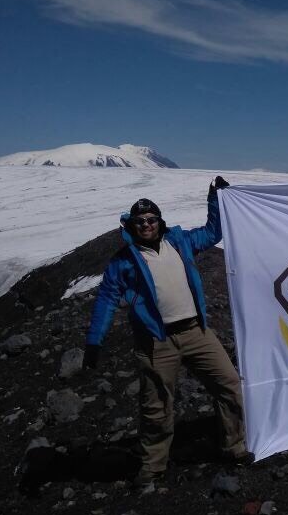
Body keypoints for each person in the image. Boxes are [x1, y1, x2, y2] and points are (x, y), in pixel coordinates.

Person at [83, 177, 251, 486]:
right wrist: (94, 342)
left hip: (195, 332)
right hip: (156, 341)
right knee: (157, 406)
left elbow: (214, 231)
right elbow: (107, 299)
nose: (146, 225)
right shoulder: (123, 261)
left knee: (229, 385)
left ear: (160, 221)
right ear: (131, 225)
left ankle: (234, 446)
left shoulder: (180, 241)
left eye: (151, 219)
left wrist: (215, 198)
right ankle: (153, 468)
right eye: (140, 221)